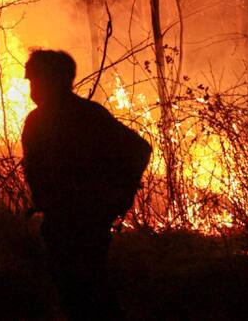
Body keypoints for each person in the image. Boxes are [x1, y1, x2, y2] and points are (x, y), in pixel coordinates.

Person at [21, 49, 151, 321]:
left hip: (76, 222)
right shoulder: (88, 113)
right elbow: (138, 149)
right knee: (84, 290)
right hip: (73, 220)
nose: (31, 87)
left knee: (82, 292)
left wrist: (116, 198)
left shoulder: (48, 120)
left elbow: (138, 149)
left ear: (51, 80)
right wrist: (117, 199)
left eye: (34, 80)